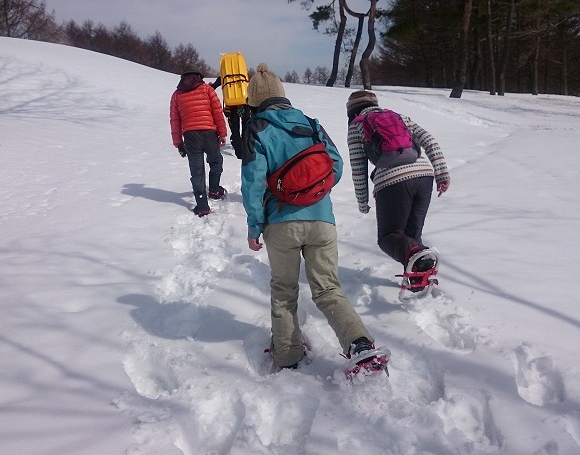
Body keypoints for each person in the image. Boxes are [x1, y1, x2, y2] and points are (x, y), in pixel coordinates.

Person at [241, 64, 380, 370]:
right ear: (282, 94)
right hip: (322, 222)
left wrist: (254, 226)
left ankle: (288, 355)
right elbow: (336, 165)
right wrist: (314, 195)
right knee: (329, 290)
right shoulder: (309, 122)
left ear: (253, 101)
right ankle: (359, 343)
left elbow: (253, 181)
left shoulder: (257, 128)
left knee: (284, 292)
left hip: (280, 224)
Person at [345, 90, 450, 295]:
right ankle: (418, 282)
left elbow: (358, 168)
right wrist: (442, 174)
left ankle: (420, 257)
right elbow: (431, 141)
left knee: (389, 237)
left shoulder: (356, 125)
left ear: (351, 111)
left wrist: (362, 201)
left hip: (392, 182)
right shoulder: (399, 117)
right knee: (411, 236)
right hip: (424, 176)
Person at [169, 67, 228, 217]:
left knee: (197, 171)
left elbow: (175, 121)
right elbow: (217, 112)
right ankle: (214, 190)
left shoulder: (176, 95)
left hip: (190, 136)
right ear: (199, 76)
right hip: (209, 133)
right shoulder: (207, 89)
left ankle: (202, 206)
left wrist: (178, 143)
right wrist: (222, 133)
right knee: (215, 161)